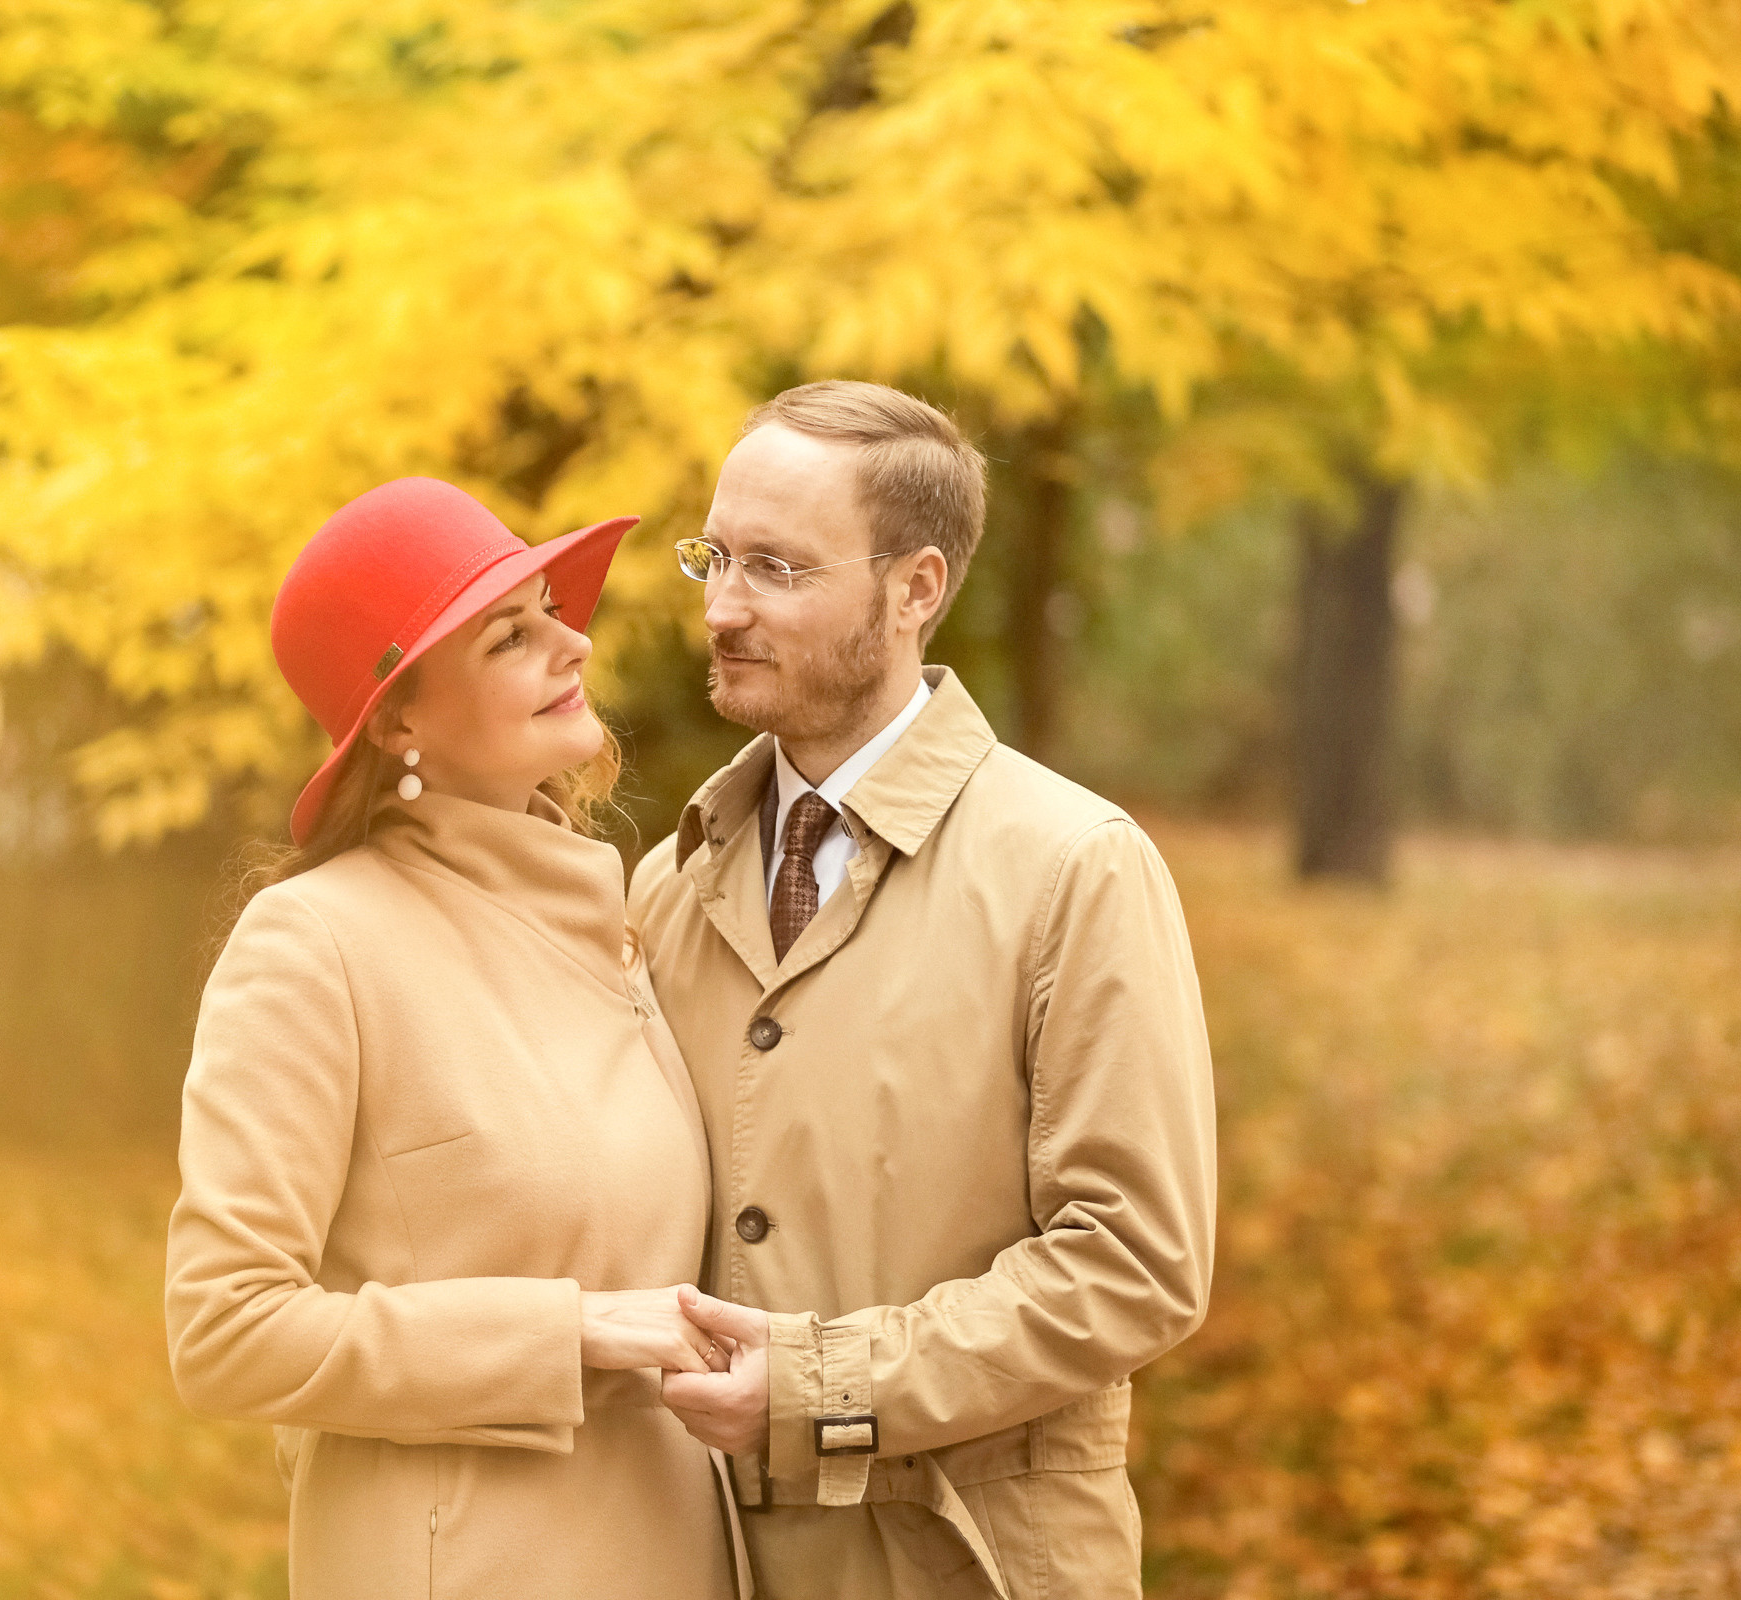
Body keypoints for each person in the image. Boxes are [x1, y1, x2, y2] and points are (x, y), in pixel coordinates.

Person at [629, 381, 1219, 1599]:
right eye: (715, 557)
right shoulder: (664, 889)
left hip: (973, 1566)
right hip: (696, 1562)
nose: (724, 607)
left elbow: (1136, 1259)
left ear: (917, 590)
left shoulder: (1075, 866)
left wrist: (823, 1387)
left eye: (779, 569)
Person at [164, 478, 745, 1600]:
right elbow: (224, 1327)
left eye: (552, 611)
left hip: (673, 1551)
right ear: (399, 719)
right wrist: (565, 1332)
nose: (571, 643)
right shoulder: (316, 942)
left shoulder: (624, 917)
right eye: (508, 636)